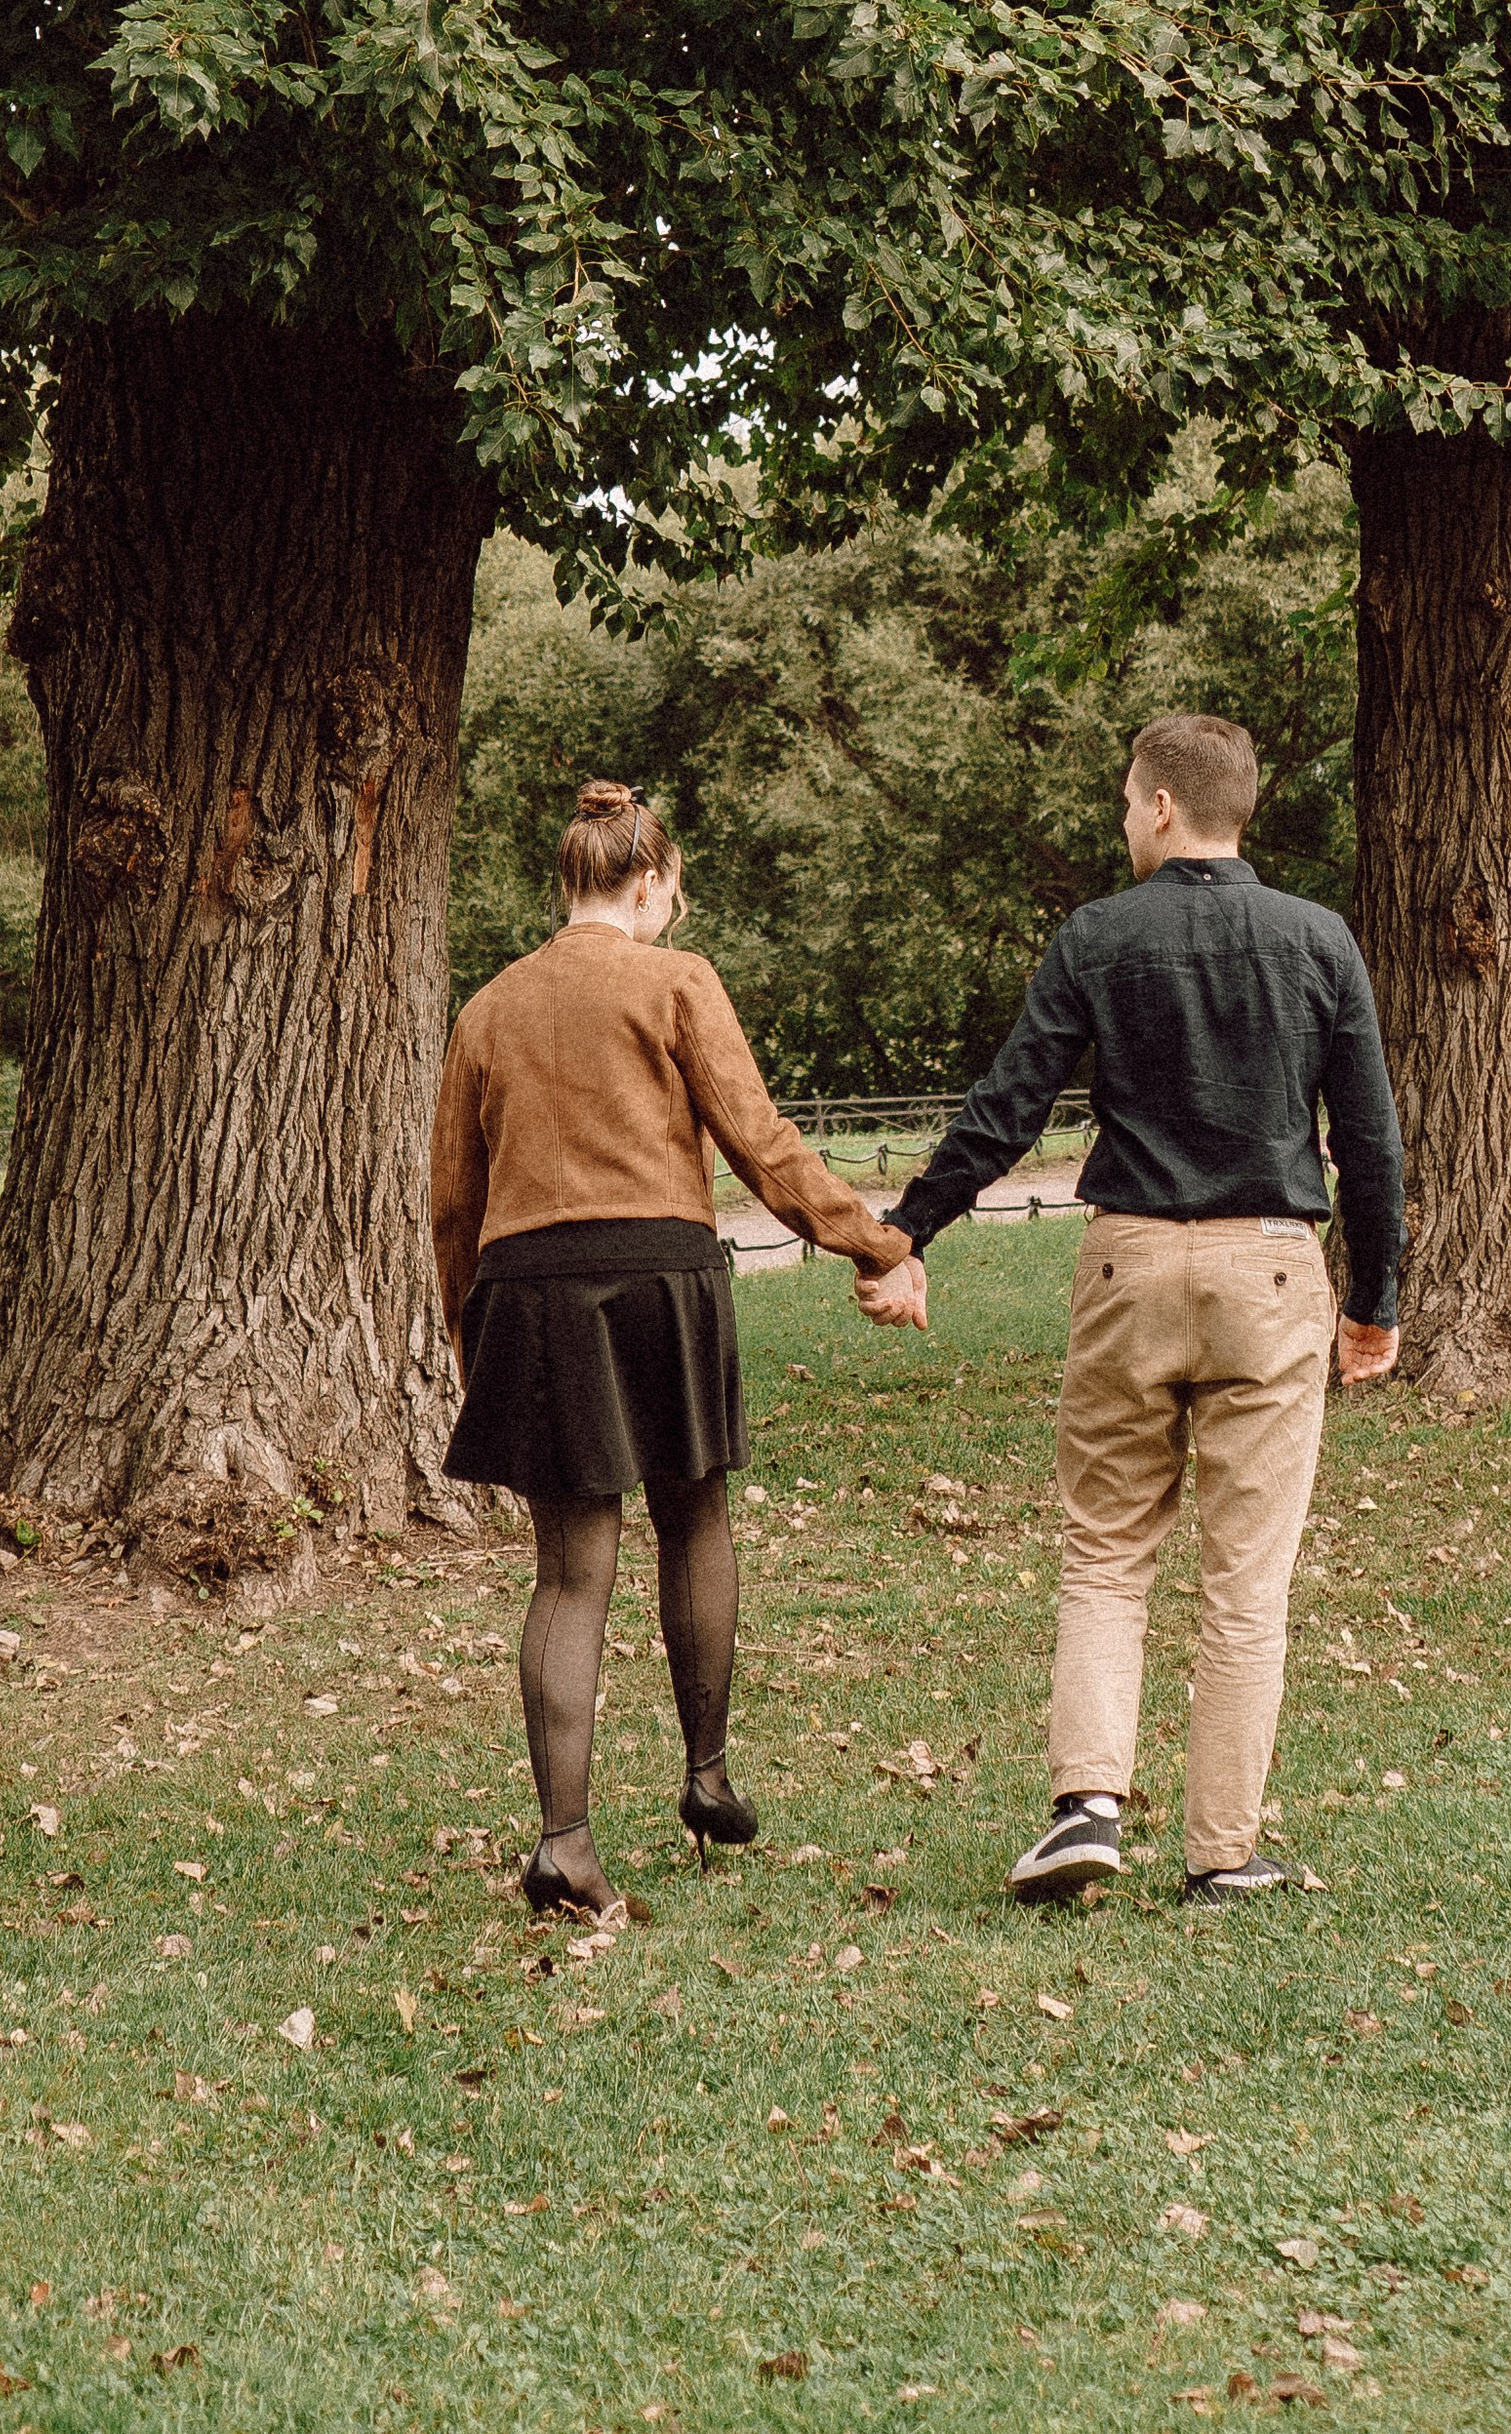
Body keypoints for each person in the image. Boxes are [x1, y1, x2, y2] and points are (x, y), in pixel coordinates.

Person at [858, 711, 1406, 1907]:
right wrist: (1376, 1298)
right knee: (1244, 1581)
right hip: (1271, 1268)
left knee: (1107, 1553)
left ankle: (1087, 1806)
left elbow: (1009, 1108)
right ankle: (1222, 1851)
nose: (1122, 822)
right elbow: (1367, 1139)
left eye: (1123, 802)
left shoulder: (1099, 937)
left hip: (1129, 1266)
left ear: (1163, 805)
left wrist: (903, 1232)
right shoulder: (1317, 940)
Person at [431, 778, 912, 1916]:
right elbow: (761, 1143)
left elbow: (454, 1205)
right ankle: (705, 1777)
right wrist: (874, 1245)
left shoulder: (487, 1010)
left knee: (568, 1570)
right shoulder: (677, 982)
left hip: (531, 1289)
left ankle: (562, 1842)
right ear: (647, 883)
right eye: (671, 895)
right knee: (693, 1513)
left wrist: (472, 1334)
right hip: (663, 1272)